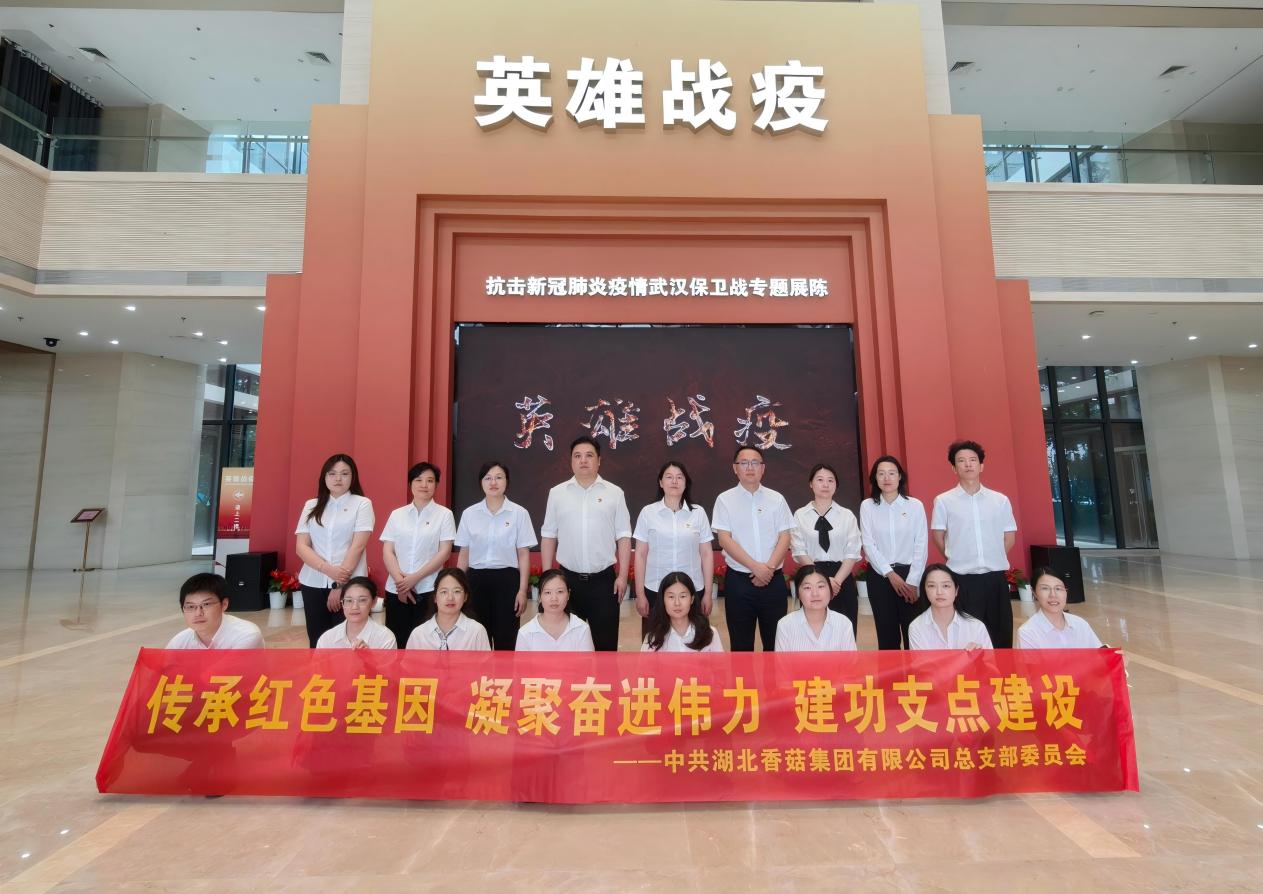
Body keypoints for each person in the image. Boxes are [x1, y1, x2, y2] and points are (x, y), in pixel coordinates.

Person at [540, 436, 632, 652]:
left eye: (589, 455)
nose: (583, 460)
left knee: (605, 647)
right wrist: (547, 578)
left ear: (599, 460)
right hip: (567, 582)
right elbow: (548, 535)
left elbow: (624, 536)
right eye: (578, 456)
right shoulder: (557, 493)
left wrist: (622, 576)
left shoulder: (614, 493)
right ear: (571, 461)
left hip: (604, 582)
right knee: (569, 648)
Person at [930, 440, 1019, 648]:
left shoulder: (1000, 500)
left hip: (995, 578)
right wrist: (956, 556)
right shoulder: (943, 501)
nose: (968, 464)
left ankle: (1001, 670)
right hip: (963, 580)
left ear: (981, 466)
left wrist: (992, 556)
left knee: (1001, 636)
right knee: (967, 638)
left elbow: (1009, 537)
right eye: (961, 461)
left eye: (973, 460)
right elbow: (938, 537)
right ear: (954, 468)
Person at [712, 445, 795, 652]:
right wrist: (755, 567)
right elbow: (724, 539)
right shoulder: (724, 499)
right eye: (744, 463)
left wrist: (769, 568)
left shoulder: (777, 499)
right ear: (735, 468)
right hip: (739, 582)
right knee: (741, 646)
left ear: (763, 468)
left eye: (755, 462)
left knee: (776, 644)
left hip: (773, 580)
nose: (750, 467)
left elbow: (785, 536)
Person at [294, 453, 374, 648]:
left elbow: (357, 546)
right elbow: (301, 546)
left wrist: (339, 586)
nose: (338, 478)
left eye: (344, 473)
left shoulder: (362, 504)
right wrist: (327, 569)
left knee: (348, 641)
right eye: (332, 473)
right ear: (324, 477)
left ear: (353, 477)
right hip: (313, 582)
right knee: (317, 640)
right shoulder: (311, 505)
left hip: (349, 585)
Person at [455, 461, 536, 650]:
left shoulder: (519, 513)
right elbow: (464, 554)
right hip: (475, 580)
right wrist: (457, 585)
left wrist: (522, 590)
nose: (493, 482)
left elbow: (523, 555)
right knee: (476, 637)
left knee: (506, 638)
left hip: (507, 581)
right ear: (481, 482)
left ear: (506, 481)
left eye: (499, 477)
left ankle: (505, 670)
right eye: (488, 478)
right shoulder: (469, 514)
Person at [633, 461, 714, 637]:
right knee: (655, 642)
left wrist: (708, 593)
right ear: (661, 482)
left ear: (686, 483)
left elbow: (707, 554)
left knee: (696, 641)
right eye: (669, 477)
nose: (674, 481)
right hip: (655, 590)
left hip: (693, 590)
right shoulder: (648, 513)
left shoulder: (698, 513)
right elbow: (640, 555)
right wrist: (640, 594)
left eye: (679, 477)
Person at [380, 461, 456, 648]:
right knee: (397, 640)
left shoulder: (444, 515)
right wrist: (401, 582)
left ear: (436, 485)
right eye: (419, 480)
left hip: (428, 588)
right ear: (410, 484)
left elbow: (444, 552)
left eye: (430, 480)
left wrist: (414, 578)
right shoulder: (397, 515)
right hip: (396, 589)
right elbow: (388, 551)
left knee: (426, 644)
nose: (424, 485)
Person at [859, 454, 929, 650]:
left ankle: (915, 671)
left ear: (900, 477)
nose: (887, 478)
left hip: (910, 576)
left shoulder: (915, 506)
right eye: (881, 473)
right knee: (886, 636)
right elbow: (868, 544)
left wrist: (913, 581)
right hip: (880, 576)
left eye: (891, 473)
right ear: (875, 478)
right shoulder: (867, 506)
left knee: (913, 634)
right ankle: (891, 671)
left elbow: (921, 545)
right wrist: (890, 574)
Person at [790, 463, 862, 631]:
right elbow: (799, 549)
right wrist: (821, 580)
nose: (825, 484)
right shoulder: (800, 515)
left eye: (830, 480)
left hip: (841, 578)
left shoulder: (846, 515)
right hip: (811, 576)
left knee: (844, 629)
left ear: (836, 485)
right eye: (820, 480)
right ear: (811, 484)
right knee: (812, 629)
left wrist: (836, 582)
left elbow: (852, 552)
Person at [166, 572, 264, 649]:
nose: (198, 613)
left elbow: (226, 668)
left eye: (206, 604)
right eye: (191, 607)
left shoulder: (246, 635)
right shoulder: (178, 643)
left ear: (224, 604)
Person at [908, 563, 992, 650]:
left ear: (956, 590)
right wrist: (964, 656)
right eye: (932, 586)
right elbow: (920, 659)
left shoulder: (976, 626)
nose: (939, 592)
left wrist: (981, 655)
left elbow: (991, 659)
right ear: (925, 590)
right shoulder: (916, 627)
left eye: (946, 586)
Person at [775, 565, 857, 652]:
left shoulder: (844, 624)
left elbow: (851, 660)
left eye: (820, 586)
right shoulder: (785, 625)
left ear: (830, 590)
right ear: (798, 593)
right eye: (807, 587)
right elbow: (781, 661)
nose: (815, 594)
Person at [1018, 567, 1104, 649]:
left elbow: (1100, 655)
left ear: (1066, 592)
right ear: (1034, 593)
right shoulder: (1027, 632)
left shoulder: (1080, 624)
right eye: (1045, 588)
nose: (1053, 595)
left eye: (1058, 588)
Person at [406, 568, 490, 650]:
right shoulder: (418, 635)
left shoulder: (477, 631)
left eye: (456, 591)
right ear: (435, 597)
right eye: (444, 592)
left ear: (465, 597)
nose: (450, 598)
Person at [641, 571, 723, 652]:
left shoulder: (709, 633)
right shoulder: (653, 637)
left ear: (692, 599)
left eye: (683, 596)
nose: (677, 603)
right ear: (663, 600)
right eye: (671, 597)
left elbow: (720, 661)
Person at [515, 569, 595, 652]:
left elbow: (587, 661)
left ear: (568, 594)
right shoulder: (525, 633)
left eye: (560, 591)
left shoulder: (582, 628)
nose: (554, 598)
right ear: (540, 597)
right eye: (548, 592)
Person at [316, 577, 397, 649]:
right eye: (349, 600)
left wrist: (369, 658)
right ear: (342, 603)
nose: (354, 607)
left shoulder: (386, 638)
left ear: (374, 602)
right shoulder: (326, 639)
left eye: (362, 600)